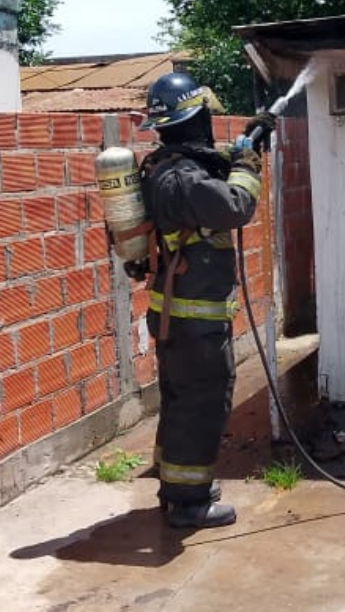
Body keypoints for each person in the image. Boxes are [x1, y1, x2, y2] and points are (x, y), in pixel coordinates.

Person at [132, 72, 274, 529]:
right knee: (200, 403)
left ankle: (179, 486)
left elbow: (211, 181)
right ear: (195, 117)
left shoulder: (168, 166)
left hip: (179, 316)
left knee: (181, 399)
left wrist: (245, 143)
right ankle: (189, 503)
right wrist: (248, 165)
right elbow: (234, 205)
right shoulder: (182, 178)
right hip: (194, 321)